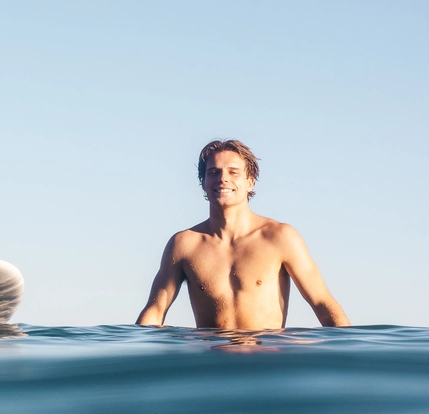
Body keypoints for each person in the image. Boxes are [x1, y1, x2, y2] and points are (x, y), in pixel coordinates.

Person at [136, 139, 349, 329]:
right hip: (210, 364)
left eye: (233, 172)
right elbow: (155, 310)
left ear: (250, 182)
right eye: (213, 172)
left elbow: (322, 302)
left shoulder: (280, 237)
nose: (222, 179)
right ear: (203, 183)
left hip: (265, 362)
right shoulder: (184, 244)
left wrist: (349, 356)